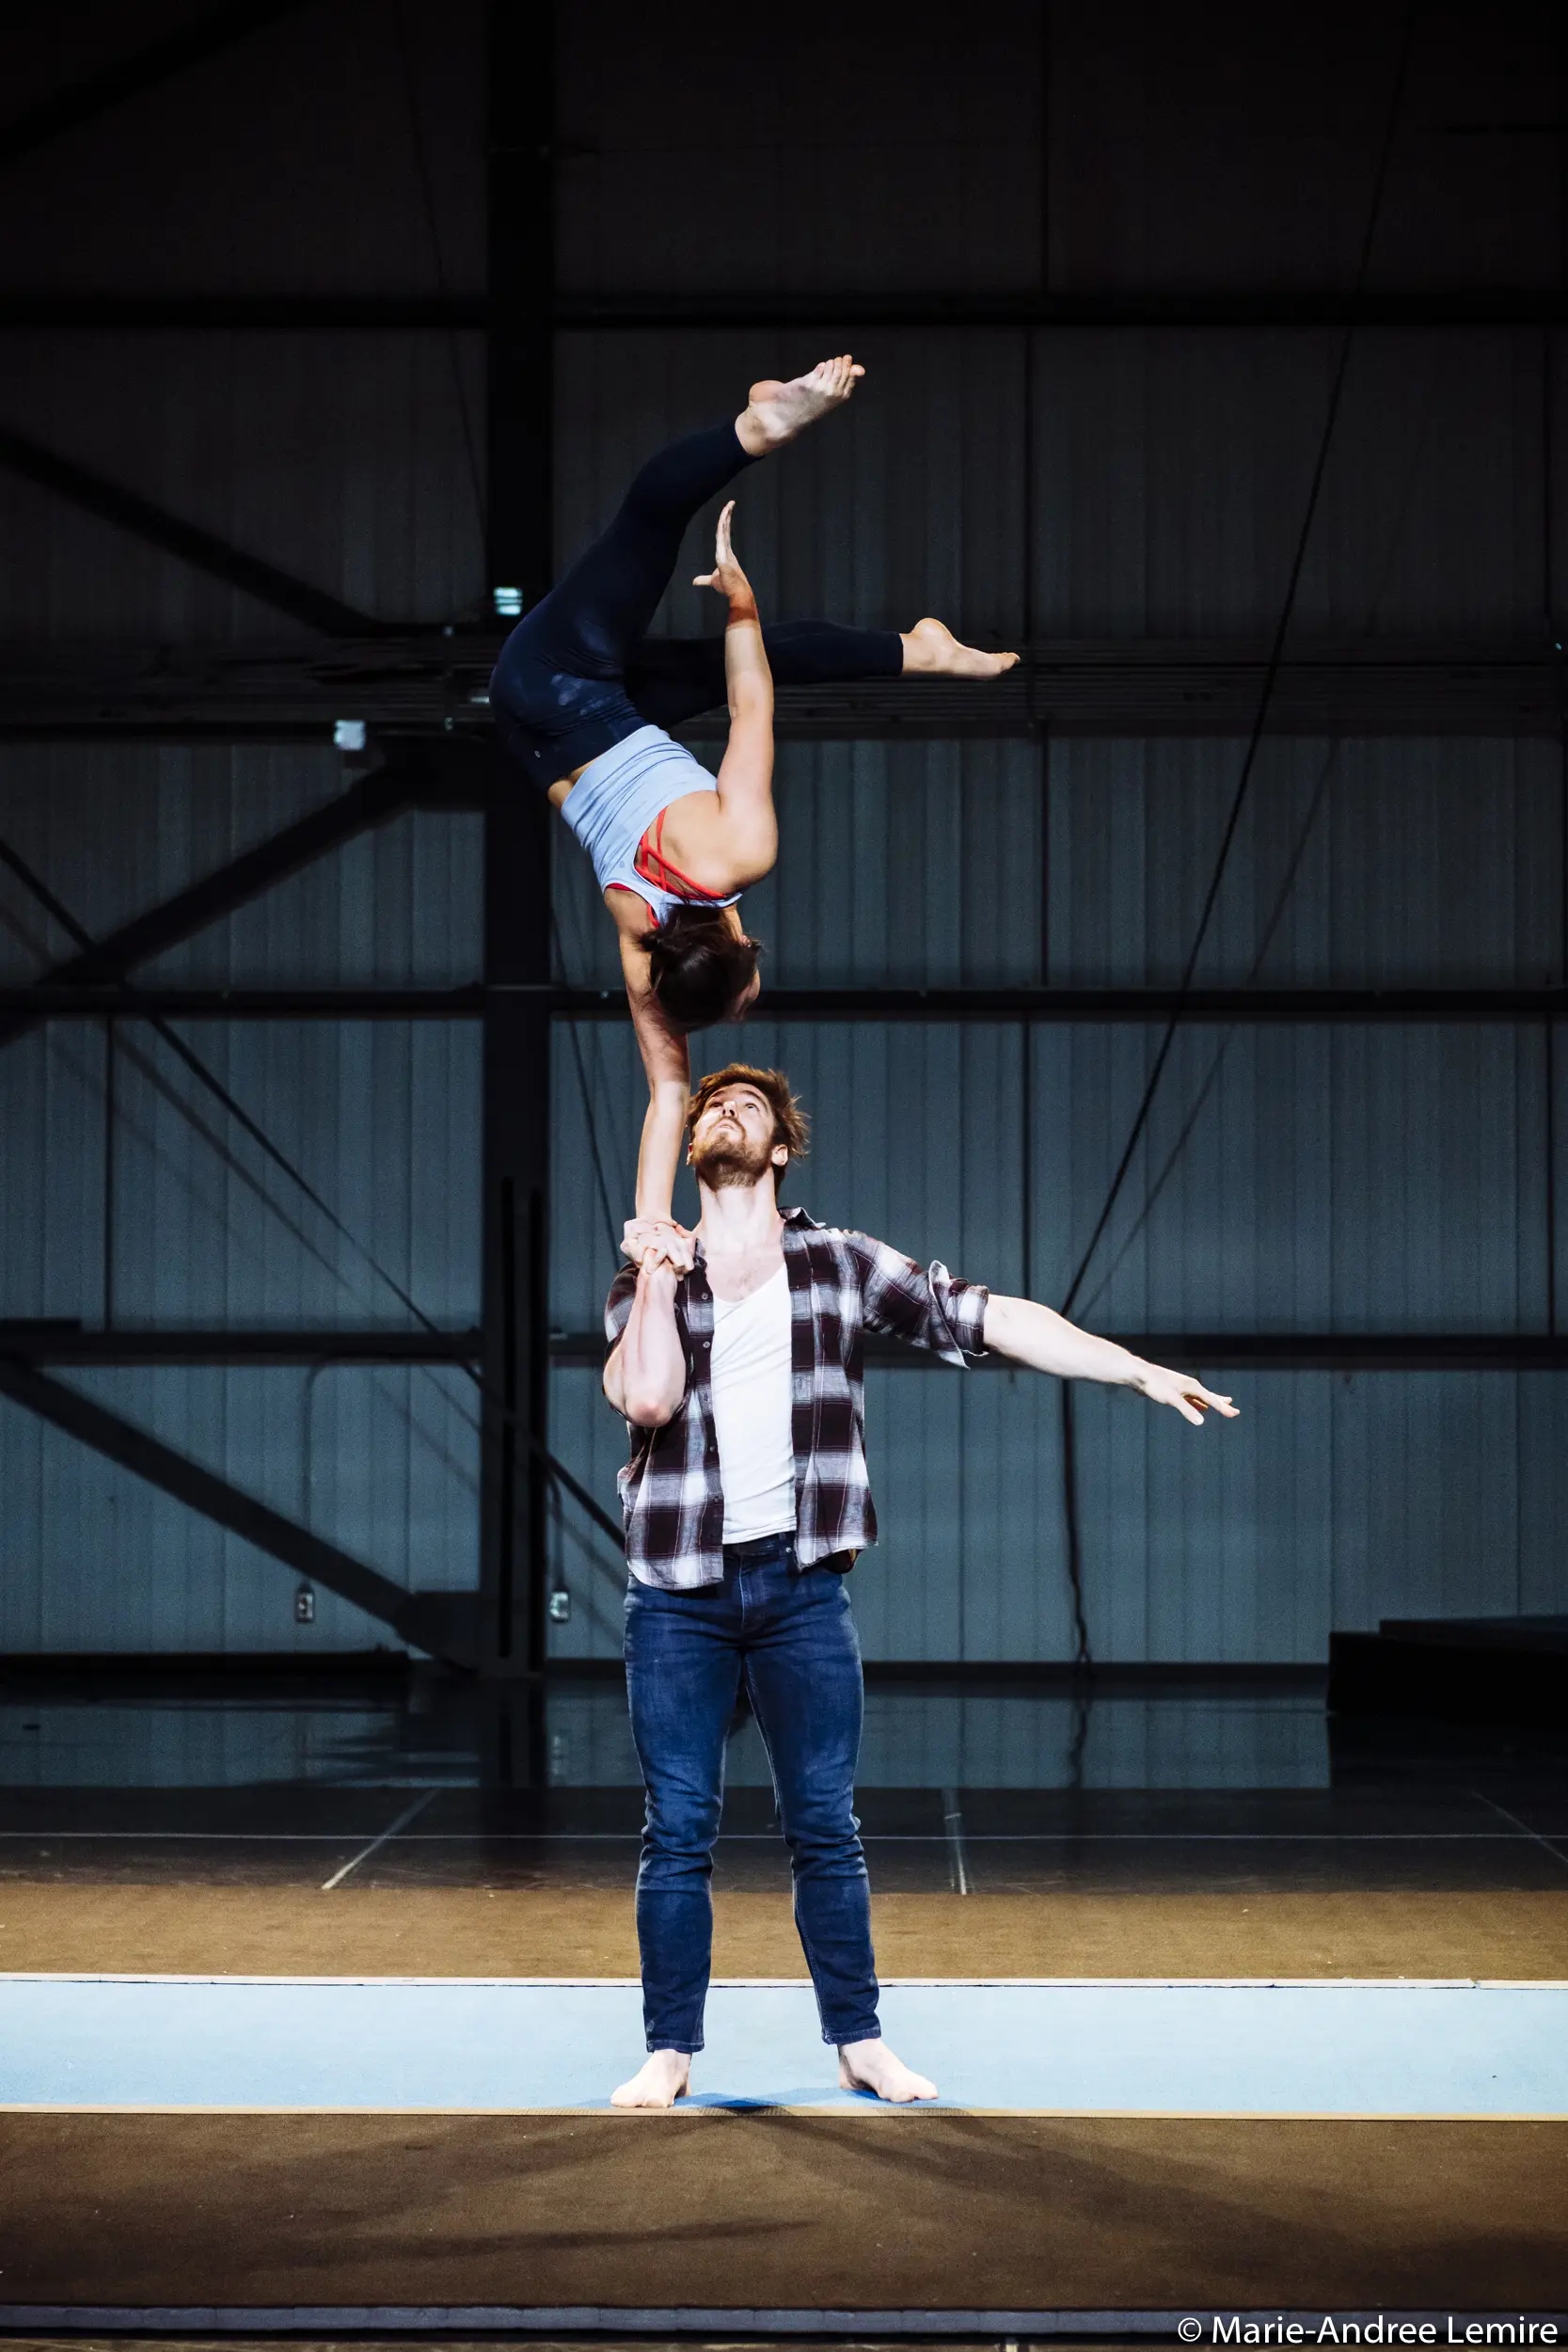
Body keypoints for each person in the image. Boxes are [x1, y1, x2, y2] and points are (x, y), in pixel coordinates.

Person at [601, 1064, 1240, 2108]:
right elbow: (645, 1395)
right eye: (708, 1102)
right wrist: (661, 1276)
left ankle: (857, 2040)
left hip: (801, 1589)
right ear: (691, 1146)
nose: (721, 1109)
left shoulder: (839, 1262)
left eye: (746, 1106)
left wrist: (1130, 1367)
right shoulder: (647, 1276)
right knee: (677, 1826)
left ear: (775, 1153)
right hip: (677, 1593)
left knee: (823, 1821)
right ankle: (668, 2048)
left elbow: (985, 1316)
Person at [490, 356, 1017, 1237]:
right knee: (773, 652)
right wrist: (647, 1220)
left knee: (651, 521)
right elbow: (666, 1092)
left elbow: (750, 703)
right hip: (544, 736)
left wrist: (739, 603)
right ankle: (921, 650)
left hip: (558, 684)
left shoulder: (737, 853)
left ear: (743, 943)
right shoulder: (639, 947)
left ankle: (757, 430)